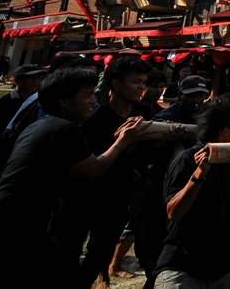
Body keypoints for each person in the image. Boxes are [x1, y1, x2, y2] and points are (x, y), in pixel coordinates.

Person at [0, 67, 143, 287]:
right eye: (87, 95)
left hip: (11, 215)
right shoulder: (64, 130)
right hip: (19, 221)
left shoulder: (41, 125)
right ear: (64, 102)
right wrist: (122, 142)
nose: (93, 101)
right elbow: (94, 168)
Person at [74, 56, 154, 286]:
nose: (141, 87)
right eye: (135, 81)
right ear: (116, 84)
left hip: (122, 196)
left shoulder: (144, 115)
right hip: (89, 194)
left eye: (144, 82)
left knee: (101, 251)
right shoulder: (94, 119)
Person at [156, 97, 230, 288]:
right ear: (225, 132)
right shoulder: (187, 160)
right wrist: (200, 173)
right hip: (182, 266)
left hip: (221, 268)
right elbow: (173, 211)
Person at [0, 64, 46, 178]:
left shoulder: (39, 103)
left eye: (38, 78)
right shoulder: (3, 102)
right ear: (18, 81)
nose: (35, 82)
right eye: (31, 78)